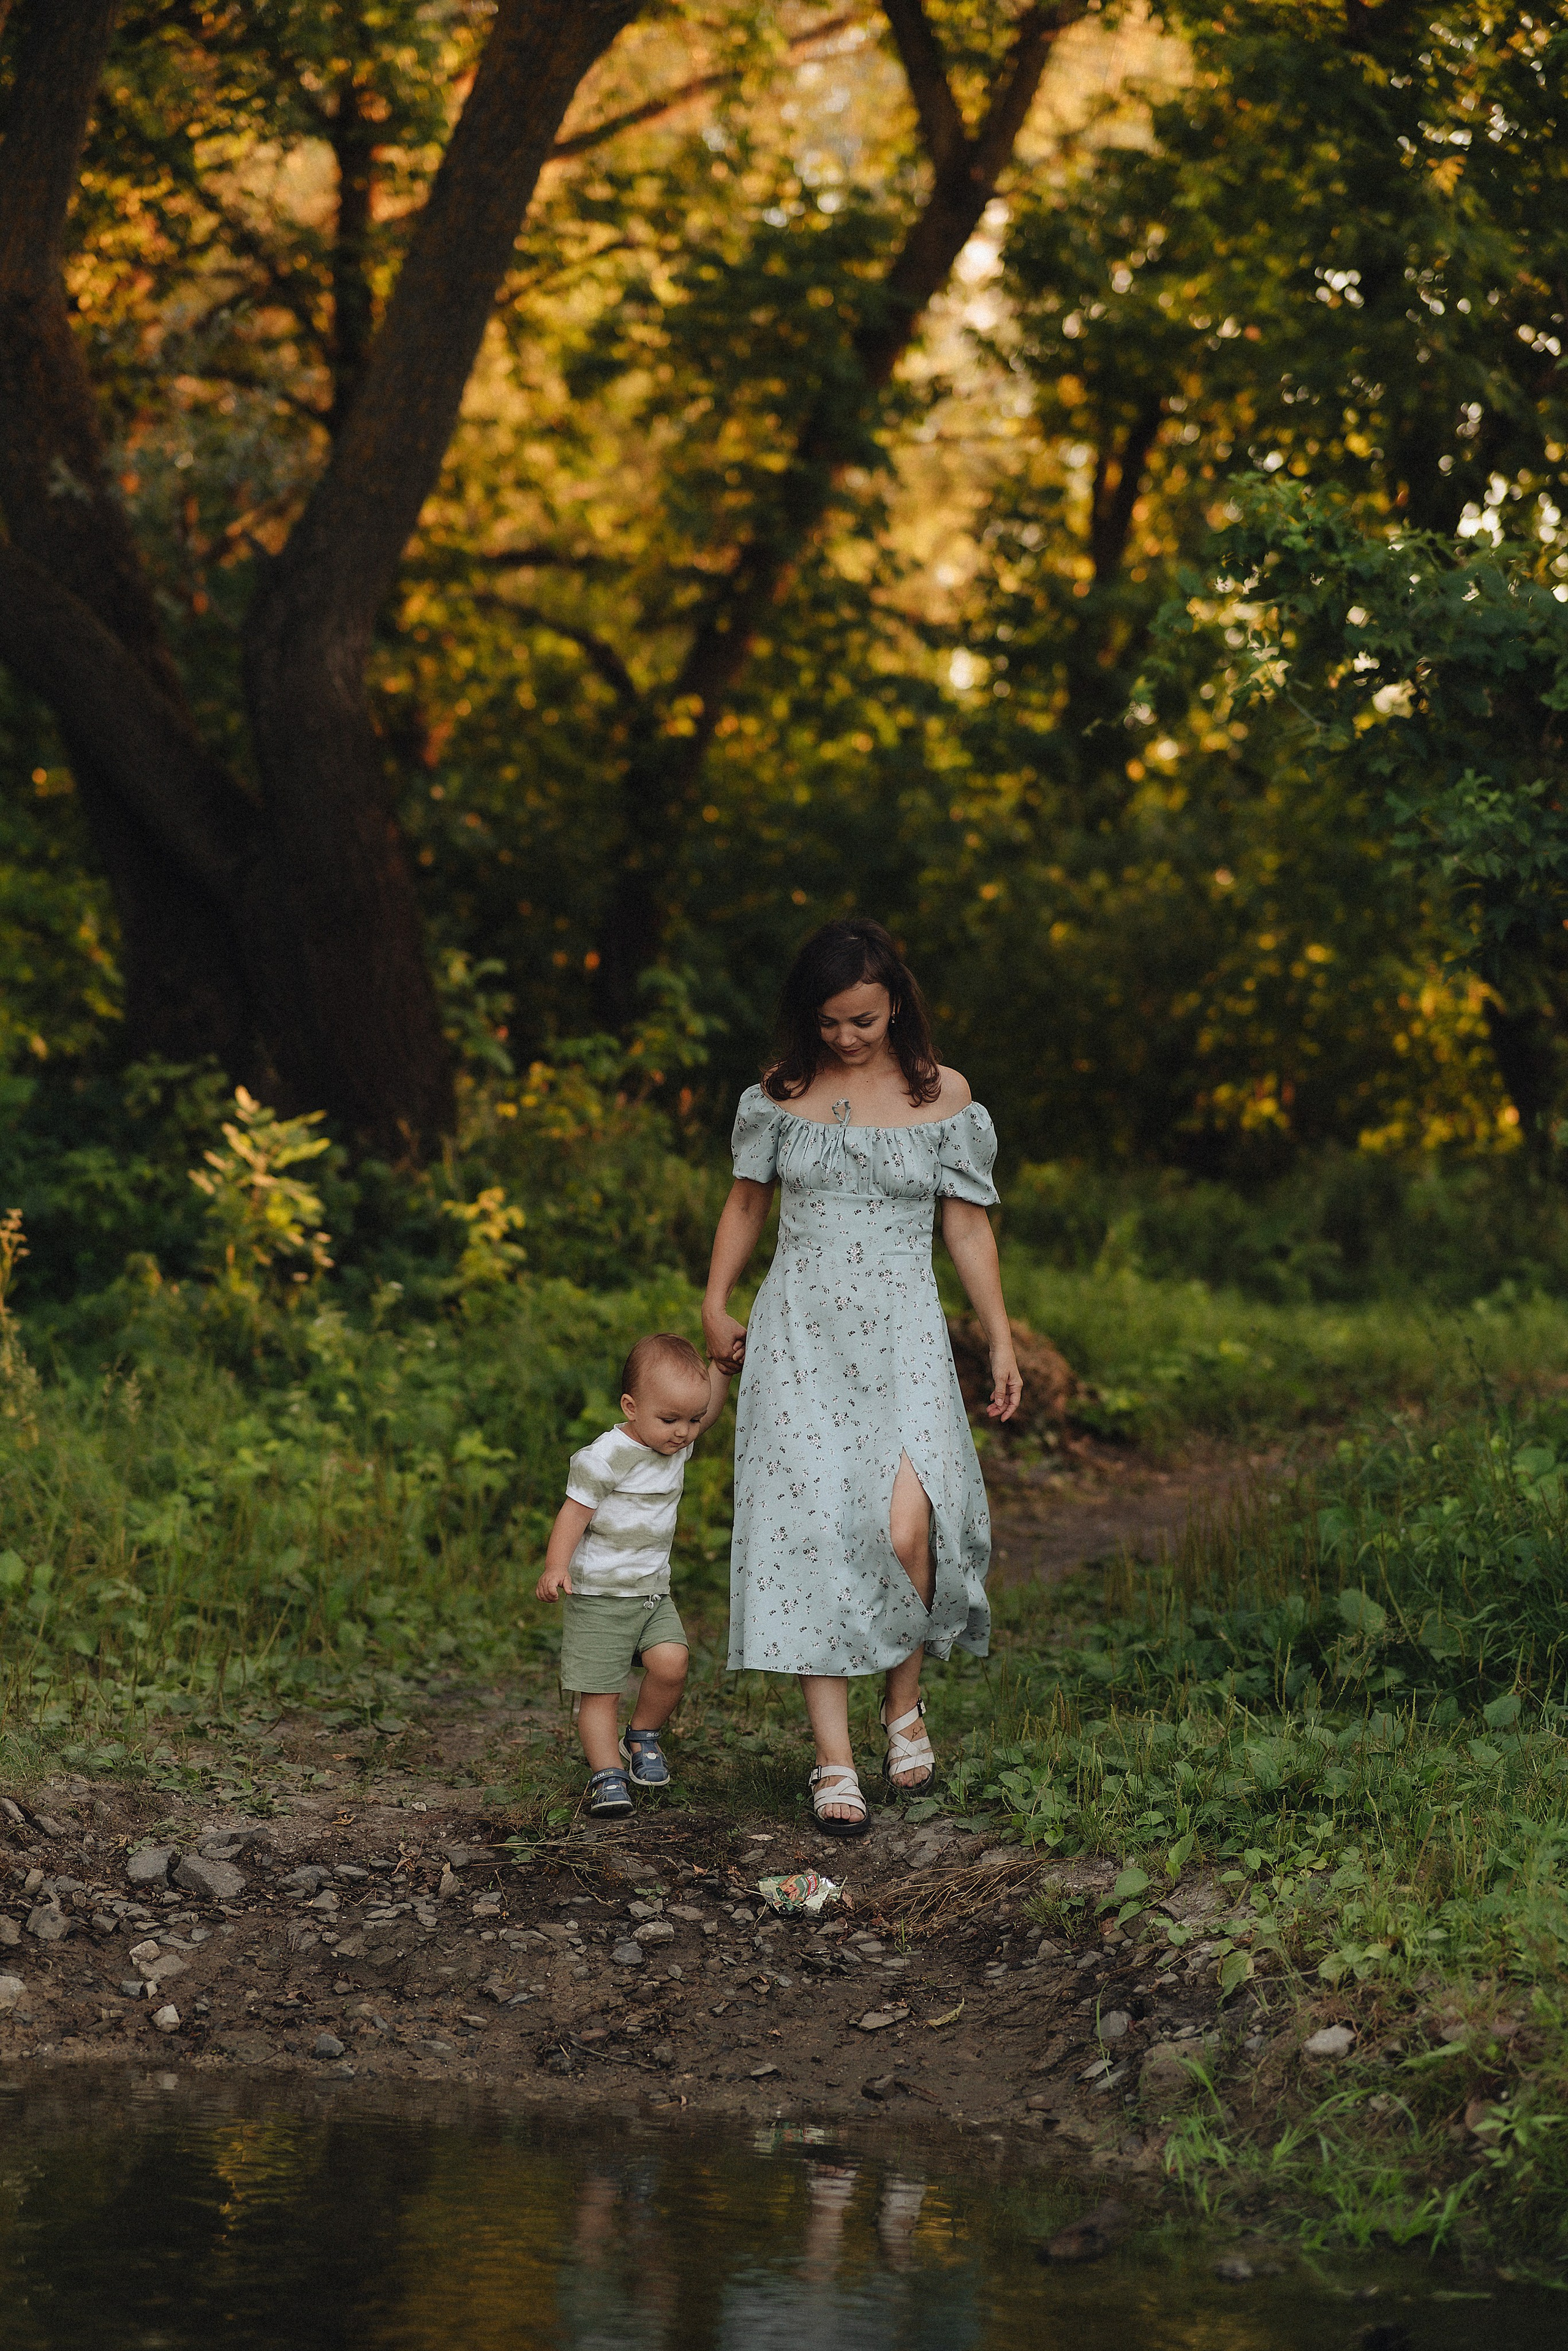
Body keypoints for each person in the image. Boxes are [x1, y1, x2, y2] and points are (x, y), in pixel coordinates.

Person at [703, 917, 1022, 1838]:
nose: (845, 1037)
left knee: (906, 1522)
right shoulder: (778, 1093)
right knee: (815, 1530)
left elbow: (967, 1225)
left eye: (864, 1021)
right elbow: (745, 1201)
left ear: (897, 1009)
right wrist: (716, 1301)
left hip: (903, 1333)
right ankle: (834, 1756)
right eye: (830, 1021)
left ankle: (904, 1704)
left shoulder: (944, 1096)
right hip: (799, 1327)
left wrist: (997, 1339)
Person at [537, 1332, 733, 1817]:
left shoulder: (674, 1443)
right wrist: (556, 1565)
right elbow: (573, 1512)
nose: (684, 1432)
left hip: (650, 1594)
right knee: (601, 1691)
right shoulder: (605, 1457)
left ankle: (642, 1736)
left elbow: (706, 1412)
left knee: (672, 1664)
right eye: (670, 1420)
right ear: (631, 1407)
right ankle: (607, 1773)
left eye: (690, 1420)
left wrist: (721, 1372)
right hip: (601, 1594)